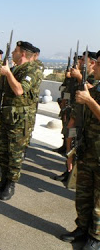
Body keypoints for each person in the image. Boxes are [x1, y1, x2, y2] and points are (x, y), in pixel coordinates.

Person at [0, 41, 38, 201]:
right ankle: (3, 179)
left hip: (20, 120)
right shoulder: (14, 68)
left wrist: (8, 73)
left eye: (15, 51)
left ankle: (11, 184)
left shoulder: (32, 70)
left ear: (22, 54)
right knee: (3, 151)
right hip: (7, 116)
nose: (12, 53)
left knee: (15, 153)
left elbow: (19, 90)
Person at [60, 50, 100, 249]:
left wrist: (90, 102)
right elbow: (74, 122)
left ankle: (96, 238)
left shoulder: (90, 96)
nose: (94, 67)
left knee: (99, 203)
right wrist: (70, 151)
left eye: (98, 64)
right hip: (86, 153)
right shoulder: (90, 91)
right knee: (82, 196)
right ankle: (82, 228)